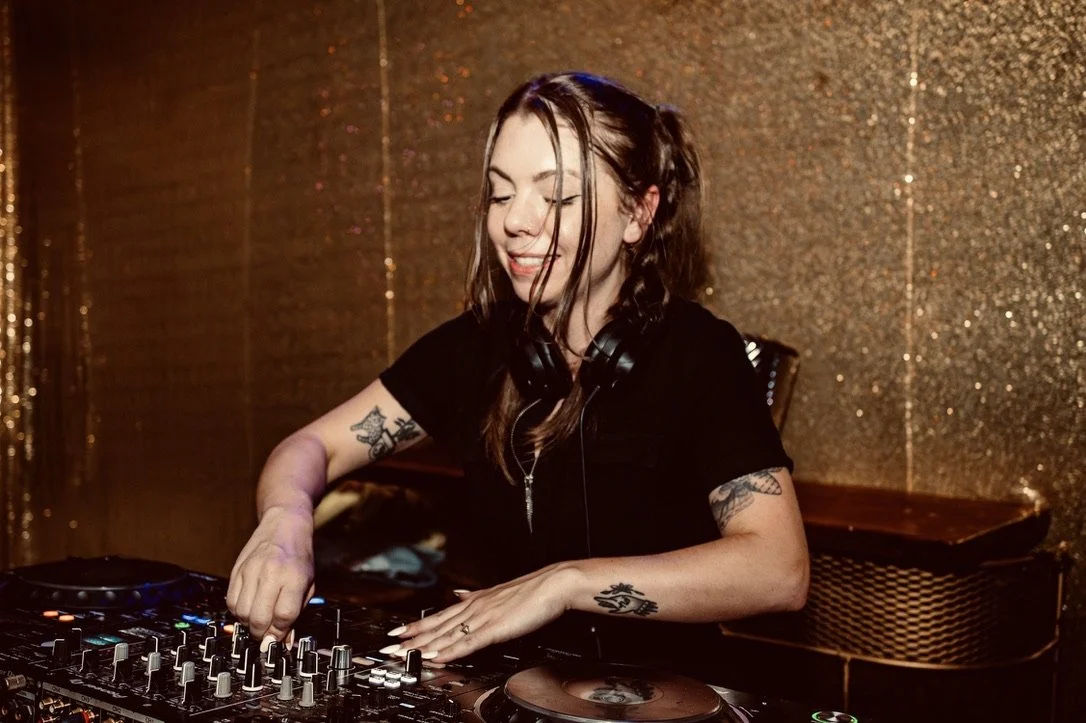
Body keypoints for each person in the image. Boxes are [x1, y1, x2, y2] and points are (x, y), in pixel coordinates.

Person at [227, 71, 808, 677]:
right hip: (512, 690)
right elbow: (311, 446)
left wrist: (562, 584)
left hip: (668, 701)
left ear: (639, 212)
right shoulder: (475, 347)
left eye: (555, 196)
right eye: (502, 194)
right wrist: (284, 521)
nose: (515, 222)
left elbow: (779, 571)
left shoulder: (699, 355)